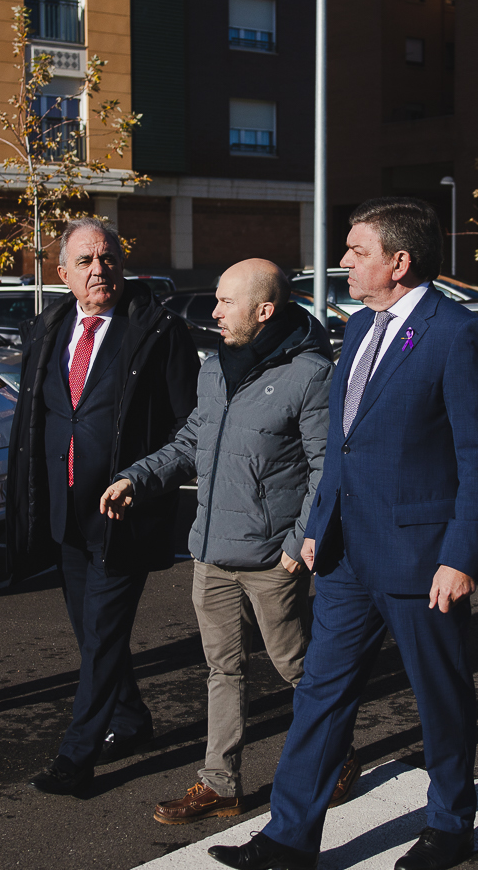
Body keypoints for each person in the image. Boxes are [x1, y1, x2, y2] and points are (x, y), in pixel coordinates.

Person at [210, 197, 478, 870]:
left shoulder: (454, 334)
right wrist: (316, 528)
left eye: (356, 251)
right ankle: (289, 834)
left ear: (399, 263)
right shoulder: (362, 328)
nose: (343, 261)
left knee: (440, 697)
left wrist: (462, 555)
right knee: (319, 693)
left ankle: (450, 823)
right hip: (345, 555)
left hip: (420, 559)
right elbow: (342, 445)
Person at [101, 258, 351, 824]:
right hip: (210, 553)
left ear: (264, 311)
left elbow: (326, 468)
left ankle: (335, 755)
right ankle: (220, 783)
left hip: (271, 560)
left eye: (224, 302)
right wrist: (136, 476)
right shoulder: (213, 367)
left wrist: (299, 541)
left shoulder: (310, 374)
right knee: (222, 669)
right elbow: (192, 439)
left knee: (296, 666)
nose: (213, 312)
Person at [7, 218, 199, 796]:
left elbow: (189, 421)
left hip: (124, 515)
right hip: (65, 512)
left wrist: (147, 480)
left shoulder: (158, 330)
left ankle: (77, 756)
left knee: (105, 634)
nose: (100, 270)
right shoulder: (48, 328)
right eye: (86, 261)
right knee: (91, 635)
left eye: (109, 258)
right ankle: (132, 718)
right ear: (61, 273)